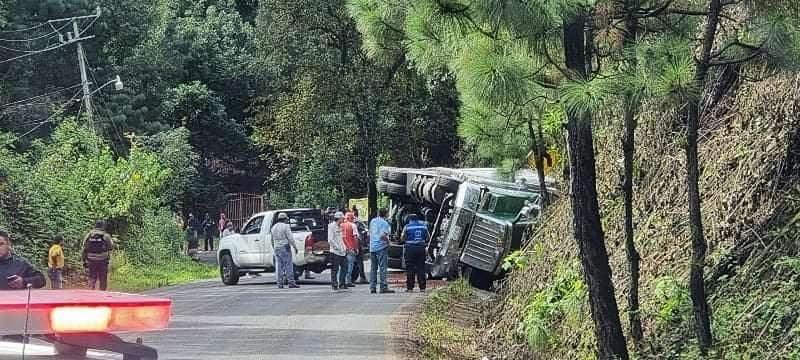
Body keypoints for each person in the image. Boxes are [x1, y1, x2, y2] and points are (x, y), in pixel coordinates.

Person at [82, 220, 114, 291]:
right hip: (103, 260)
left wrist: (84, 260)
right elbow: (111, 247)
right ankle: (102, 294)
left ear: (95, 225)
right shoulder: (106, 235)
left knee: (92, 277)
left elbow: (84, 248)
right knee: (103, 278)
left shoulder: (89, 235)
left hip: (91, 259)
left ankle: (91, 292)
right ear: (103, 226)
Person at [369, 208, 395, 294]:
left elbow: (371, 232)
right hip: (381, 247)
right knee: (383, 268)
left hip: (372, 247)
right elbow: (383, 235)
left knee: (373, 268)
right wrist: (388, 242)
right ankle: (383, 287)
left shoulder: (373, 221)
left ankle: (372, 287)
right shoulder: (385, 223)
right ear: (386, 214)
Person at [271, 213, 299, 289]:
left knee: (278, 266)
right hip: (285, 247)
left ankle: (279, 283)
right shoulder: (285, 226)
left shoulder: (273, 227)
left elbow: (272, 240)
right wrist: (295, 247)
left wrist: (274, 247)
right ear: (285, 219)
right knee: (288, 266)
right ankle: (291, 282)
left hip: (276, 248)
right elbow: (290, 238)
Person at [402, 214, 429, 292]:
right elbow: (428, 237)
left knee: (410, 268)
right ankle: (422, 288)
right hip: (421, 249)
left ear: (410, 219)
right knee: (421, 268)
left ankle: (410, 288)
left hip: (410, 249)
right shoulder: (424, 226)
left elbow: (402, 237)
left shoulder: (407, 227)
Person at [327, 212, 347, 291]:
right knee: (335, 269)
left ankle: (342, 283)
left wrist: (344, 247)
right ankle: (334, 284)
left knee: (345, 267)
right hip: (335, 251)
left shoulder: (340, 227)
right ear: (339, 218)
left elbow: (341, 239)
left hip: (342, 251)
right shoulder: (331, 226)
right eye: (342, 218)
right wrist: (337, 248)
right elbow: (330, 239)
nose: (343, 220)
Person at [340, 212, 360, 288]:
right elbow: (355, 238)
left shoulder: (340, 225)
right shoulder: (353, 225)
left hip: (341, 249)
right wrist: (356, 248)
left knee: (342, 266)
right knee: (349, 265)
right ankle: (348, 281)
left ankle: (341, 281)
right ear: (351, 218)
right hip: (350, 248)